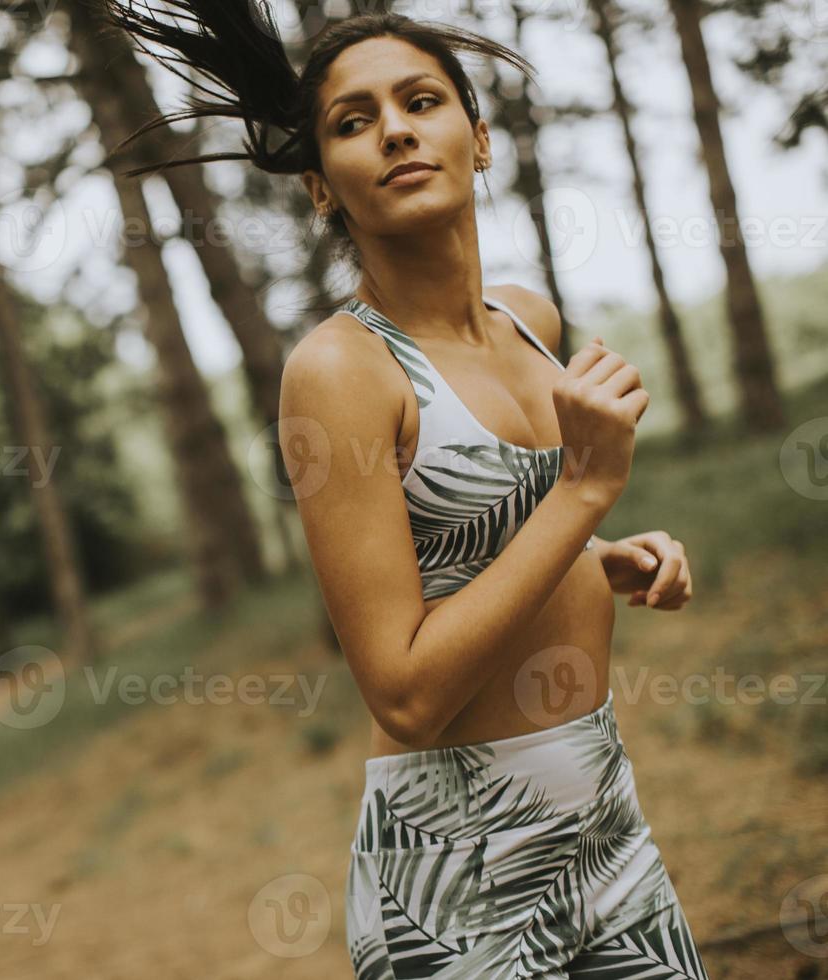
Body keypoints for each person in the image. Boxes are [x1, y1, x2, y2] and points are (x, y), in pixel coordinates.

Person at [88, 1, 708, 975]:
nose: (395, 129)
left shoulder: (530, 319)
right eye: (352, 120)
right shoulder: (342, 372)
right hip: (460, 877)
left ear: (482, 138)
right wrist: (584, 495)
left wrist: (599, 557)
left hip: (609, 831)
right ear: (322, 188)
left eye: (422, 100)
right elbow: (407, 694)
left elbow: (483, 535)